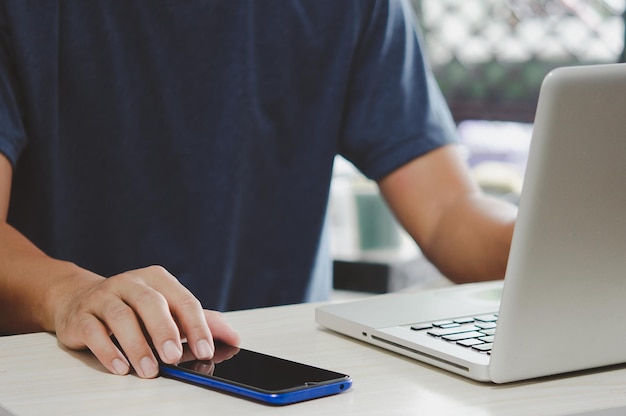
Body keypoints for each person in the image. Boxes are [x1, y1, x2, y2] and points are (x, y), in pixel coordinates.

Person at [0, 0, 516, 379]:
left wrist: (564, 238)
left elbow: (449, 210)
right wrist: (68, 295)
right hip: (83, 376)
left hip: (286, 377)